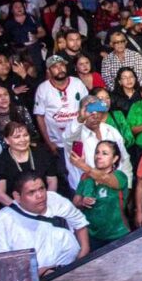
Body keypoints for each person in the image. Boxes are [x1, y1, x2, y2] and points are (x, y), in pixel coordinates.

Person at [0, 172, 89, 275]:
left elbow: (79, 224)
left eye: (42, 189)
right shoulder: (1, 223)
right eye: (31, 192)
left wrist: (82, 257)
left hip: (72, 271)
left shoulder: (56, 200)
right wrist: (39, 274)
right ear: (17, 196)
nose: (40, 195)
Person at [62, 97, 133, 191]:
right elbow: (70, 137)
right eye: (90, 110)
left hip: (113, 190)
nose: (95, 116)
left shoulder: (111, 131)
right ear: (81, 112)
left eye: (98, 110)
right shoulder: (75, 135)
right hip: (84, 193)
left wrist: (128, 186)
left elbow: (124, 159)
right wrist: (80, 119)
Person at [33, 54, 85, 184]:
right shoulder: (43, 89)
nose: (60, 69)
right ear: (48, 71)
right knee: (65, 174)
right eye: (55, 67)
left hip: (79, 139)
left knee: (83, 171)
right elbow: (39, 116)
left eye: (62, 65)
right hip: (58, 143)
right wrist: (49, 142)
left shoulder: (77, 83)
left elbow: (87, 107)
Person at [72, 140, 129, 251]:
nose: (99, 156)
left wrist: (83, 166)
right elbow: (75, 202)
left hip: (118, 233)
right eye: (97, 152)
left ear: (115, 159)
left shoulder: (119, 176)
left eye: (104, 153)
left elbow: (105, 178)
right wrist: (83, 202)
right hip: (93, 236)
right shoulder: (85, 177)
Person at [0, 121, 60, 207]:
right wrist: (22, 210)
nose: (23, 140)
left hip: (46, 202)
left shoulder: (42, 152)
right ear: (7, 140)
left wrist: (46, 202)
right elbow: (1, 194)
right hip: (16, 208)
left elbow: (52, 181)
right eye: (17, 137)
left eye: (25, 135)